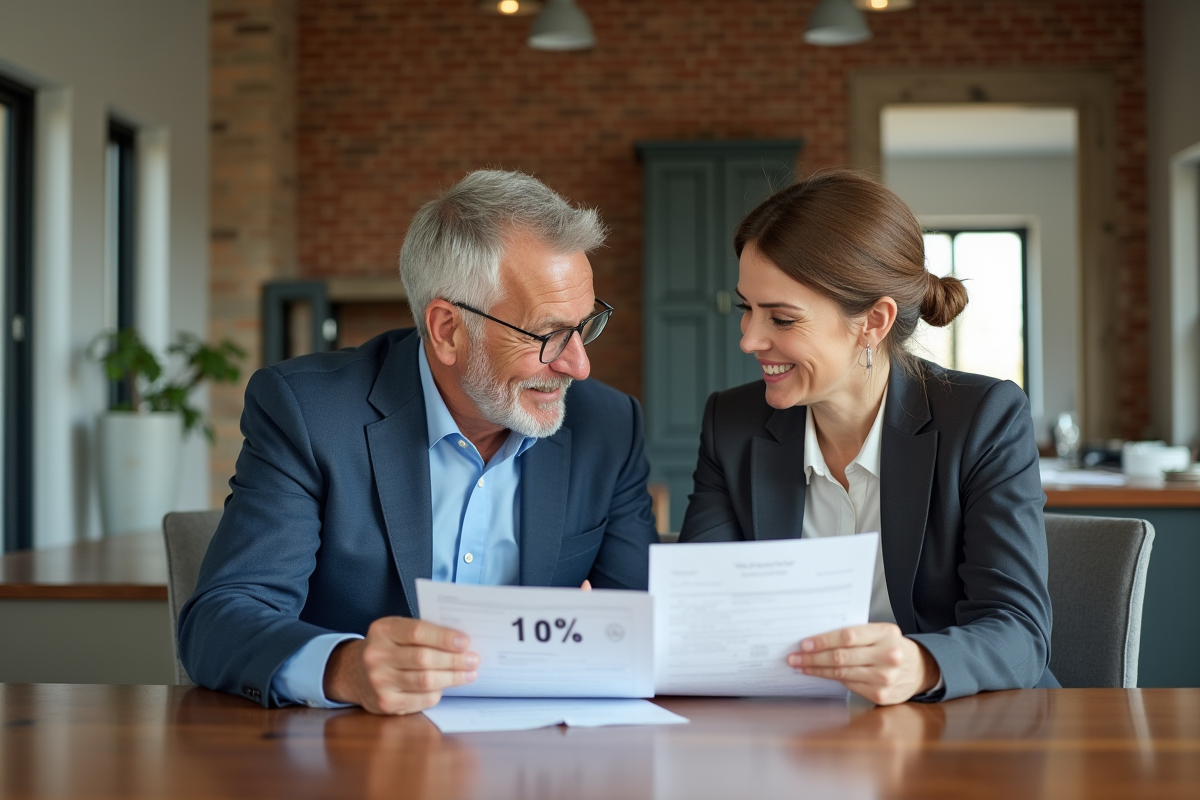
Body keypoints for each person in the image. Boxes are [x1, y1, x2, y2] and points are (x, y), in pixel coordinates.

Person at [179, 170, 658, 715]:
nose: (579, 364)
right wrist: (344, 667)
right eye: (548, 335)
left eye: (585, 325)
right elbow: (219, 620)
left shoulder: (608, 427)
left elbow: (646, 625)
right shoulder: (309, 413)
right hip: (356, 759)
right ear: (447, 329)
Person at [679, 171, 1057, 704]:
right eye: (747, 308)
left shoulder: (983, 419)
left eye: (782, 319)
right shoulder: (731, 424)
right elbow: (703, 608)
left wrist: (921, 664)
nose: (749, 339)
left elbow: (1019, 631)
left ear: (874, 322)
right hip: (791, 734)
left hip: (962, 725)